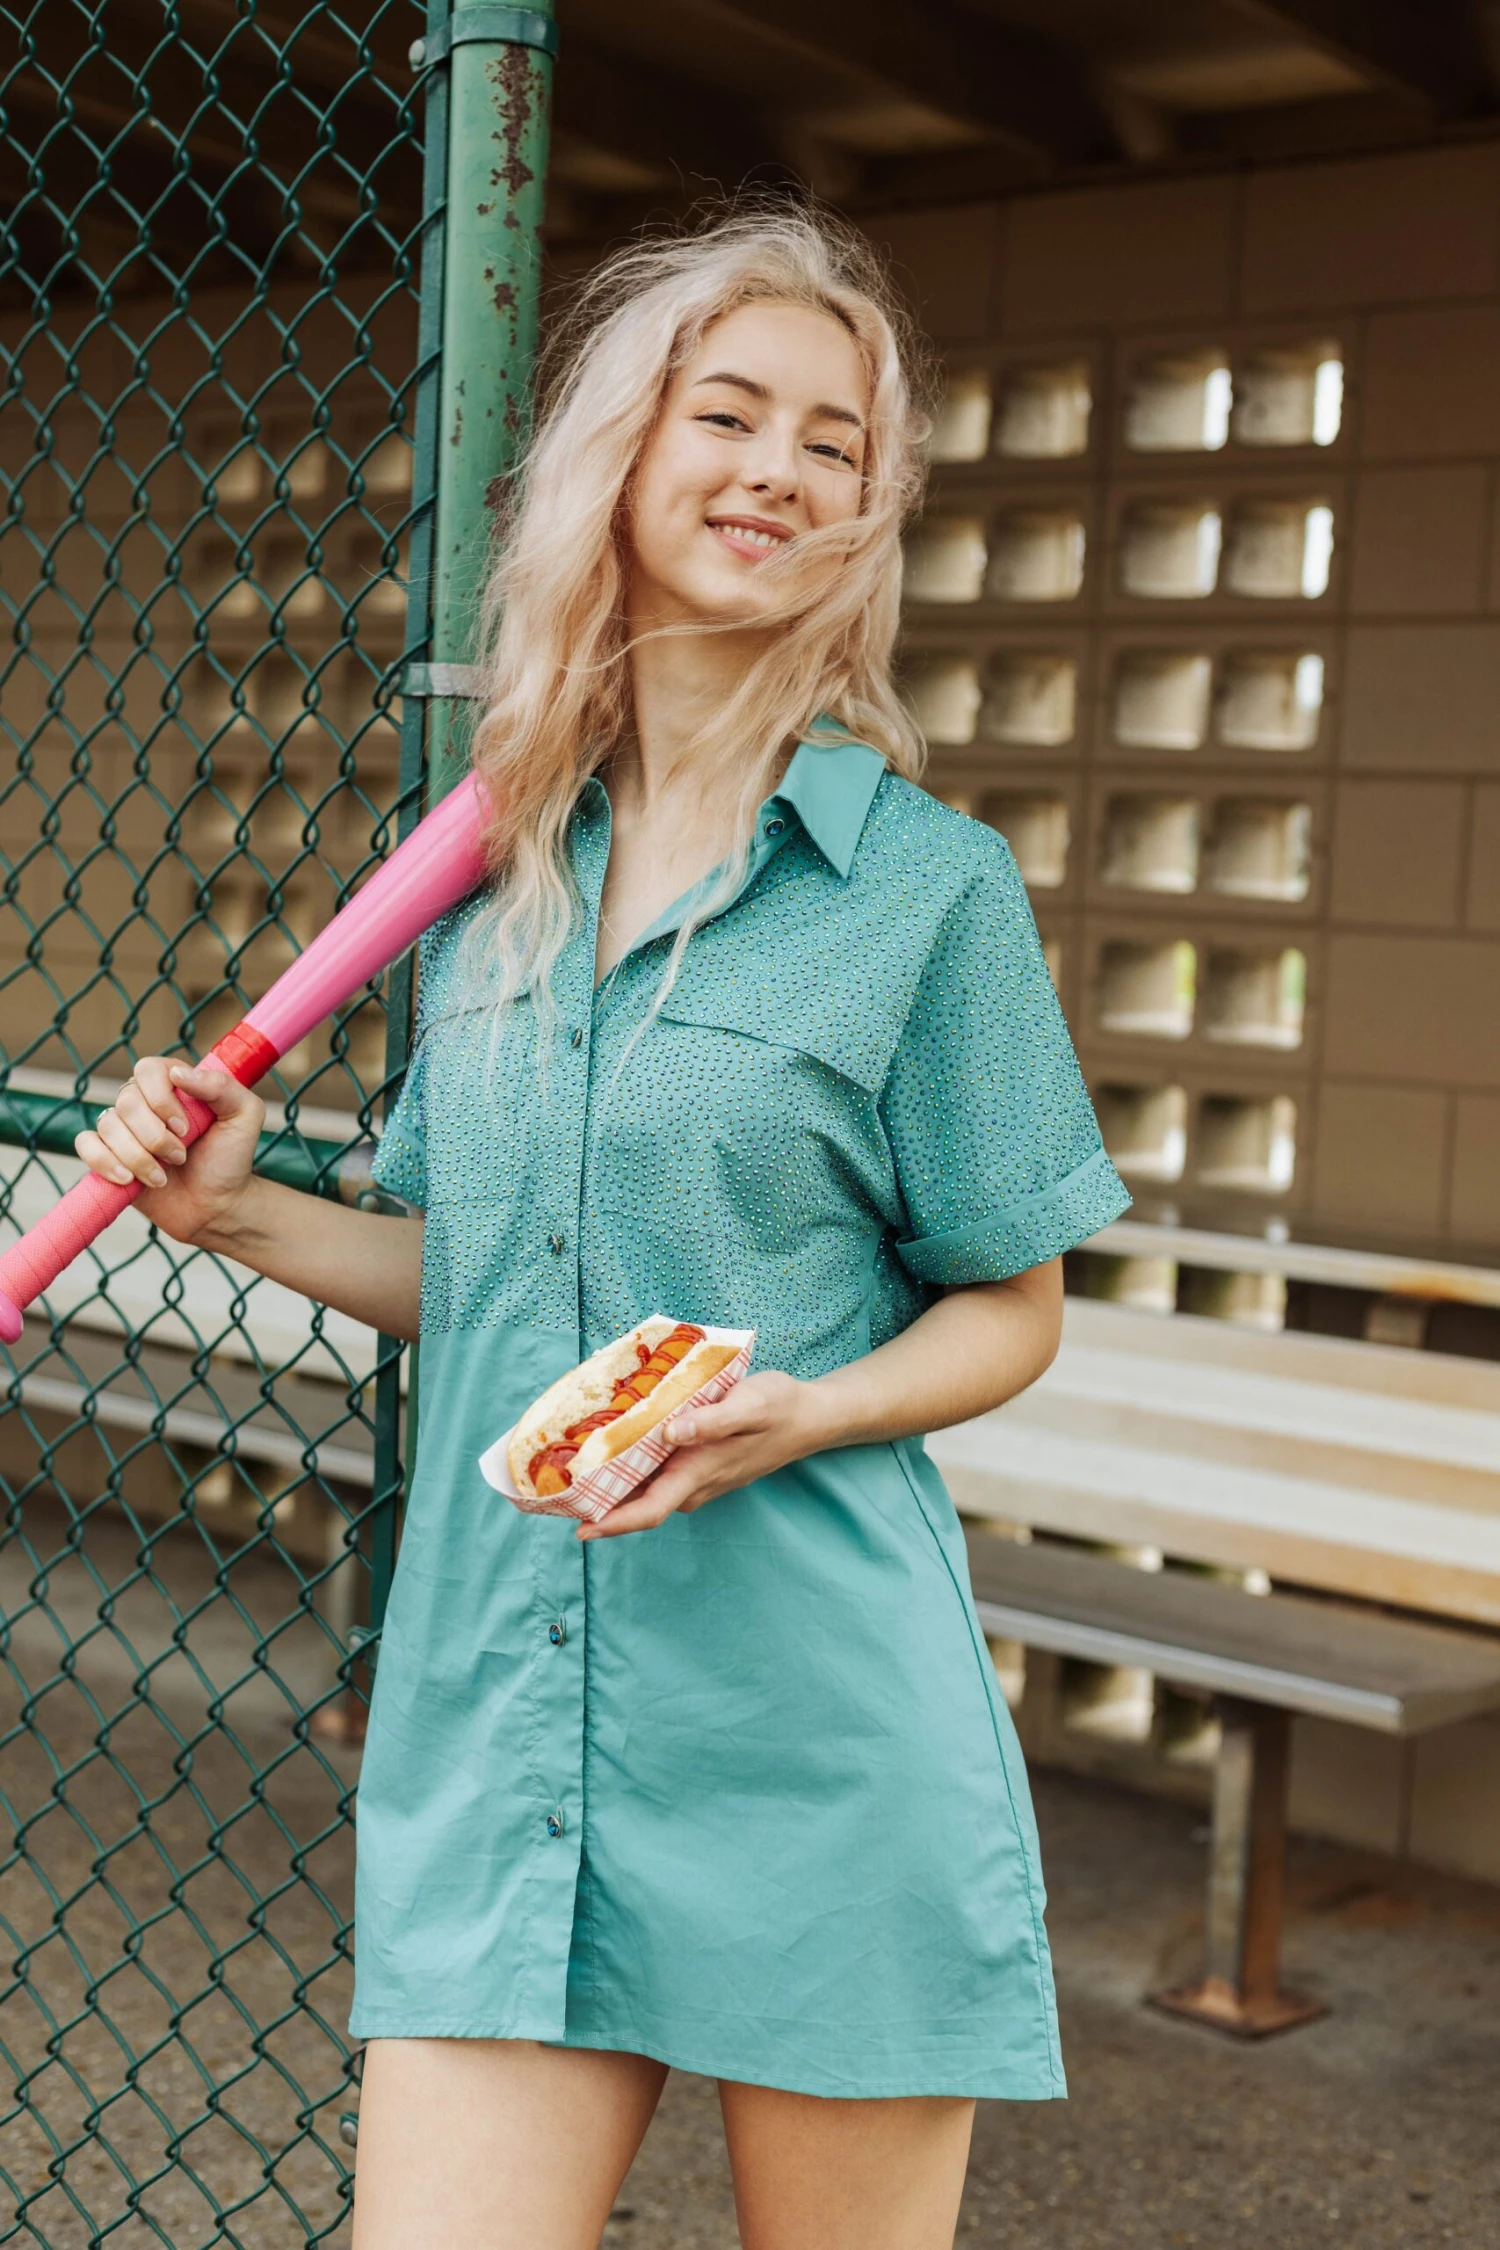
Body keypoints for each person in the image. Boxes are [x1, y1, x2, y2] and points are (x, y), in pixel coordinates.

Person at [77, 203, 1130, 2250]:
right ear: (620, 464)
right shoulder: (477, 877)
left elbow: (1012, 1313)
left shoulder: (928, 894)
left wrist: (802, 1409)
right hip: (506, 1720)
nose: (780, 470)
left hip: (814, 1722)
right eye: (726, 413)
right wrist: (242, 1220)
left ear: (870, 508)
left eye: (835, 440)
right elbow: (477, 1286)